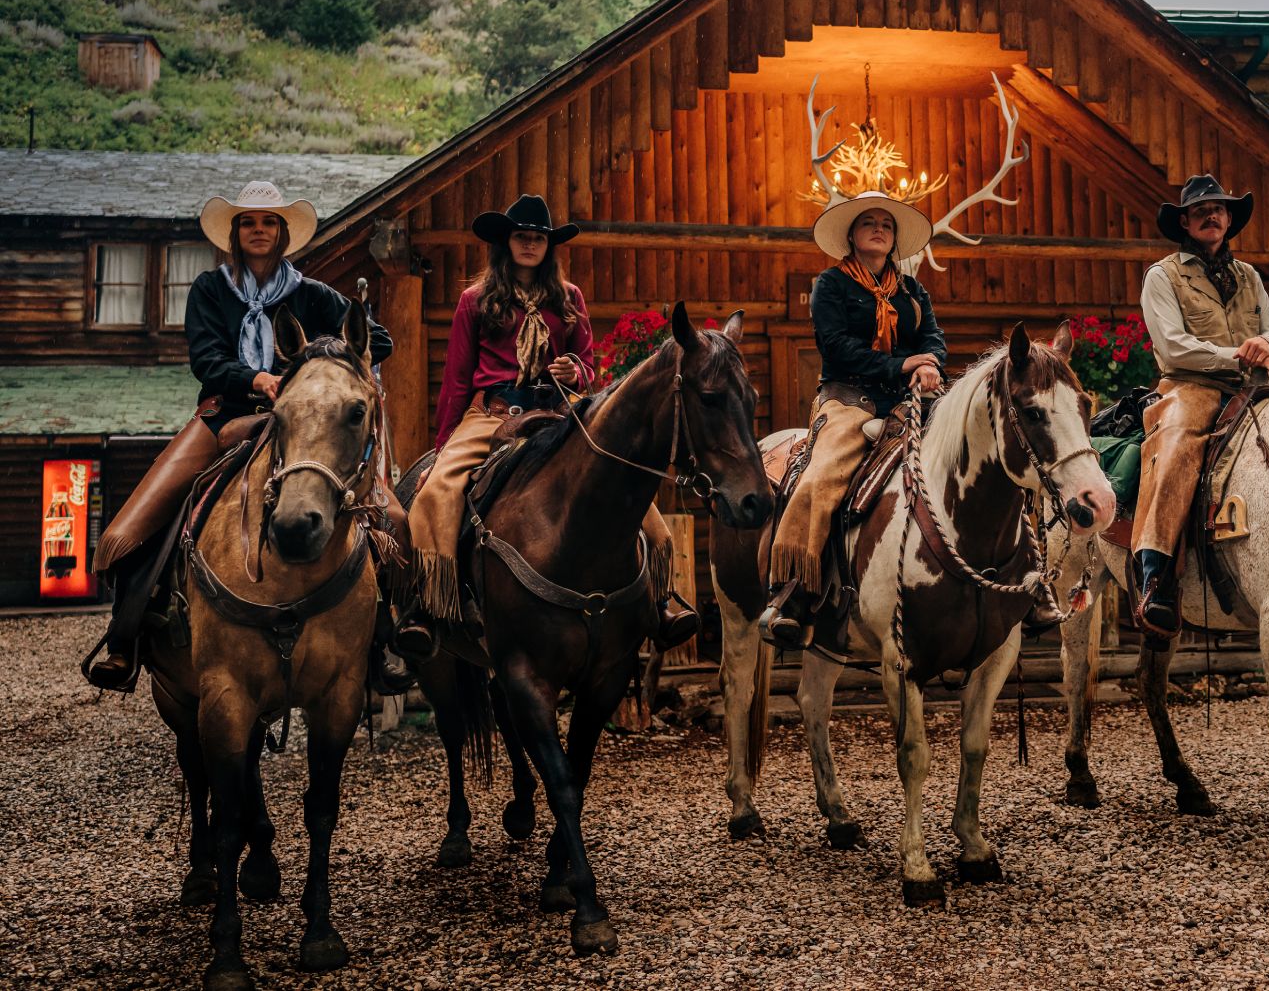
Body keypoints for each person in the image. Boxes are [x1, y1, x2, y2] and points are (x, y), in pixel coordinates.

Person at [84, 181, 394, 691]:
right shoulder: (210, 289)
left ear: (282, 233)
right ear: (235, 233)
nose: (258, 230)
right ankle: (126, 640)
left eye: (268, 222)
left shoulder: (309, 292)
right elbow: (205, 359)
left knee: (388, 516)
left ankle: (385, 640)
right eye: (249, 222)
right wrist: (259, 378)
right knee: (131, 527)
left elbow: (376, 339)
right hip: (222, 417)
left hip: (298, 421)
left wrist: (311, 368)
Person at [405, 193, 698, 651]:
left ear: (548, 246)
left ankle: (660, 597)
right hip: (494, 414)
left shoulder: (569, 298)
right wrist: (443, 447)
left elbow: (589, 366)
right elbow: (457, 381)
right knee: (436, 491)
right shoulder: (474, 300)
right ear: (506, 243)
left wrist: (572, 371)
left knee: (629, 488)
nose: (529, 245)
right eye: (521, 237)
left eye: (537, 238)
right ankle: (430, 606)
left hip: (559, 411)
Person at [758, 193, 947, 649]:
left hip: (909, 401)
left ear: (895, 238)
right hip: (848, 400)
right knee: (821, 478)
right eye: (869, 223)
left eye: (886, 223)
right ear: (852, 236)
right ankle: (793, 592)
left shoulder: (911, 291)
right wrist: (902, 365)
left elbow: (933, 338)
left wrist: (931, 365)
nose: (879, 229)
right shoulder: (831, 284)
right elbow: (836, 346)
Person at [1129, 174, 1269, 639]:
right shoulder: (1162, 276)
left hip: (1255, 385)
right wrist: (1237, 353)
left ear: (1229, 220)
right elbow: (1175, 348)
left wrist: (1265, 342)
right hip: (1190, 386)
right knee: (1177, 444)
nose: (1212, 215)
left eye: (1219, 209)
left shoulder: (1249, 276)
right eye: (1201, 210)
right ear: (1184, 221)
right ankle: (1155, 574)